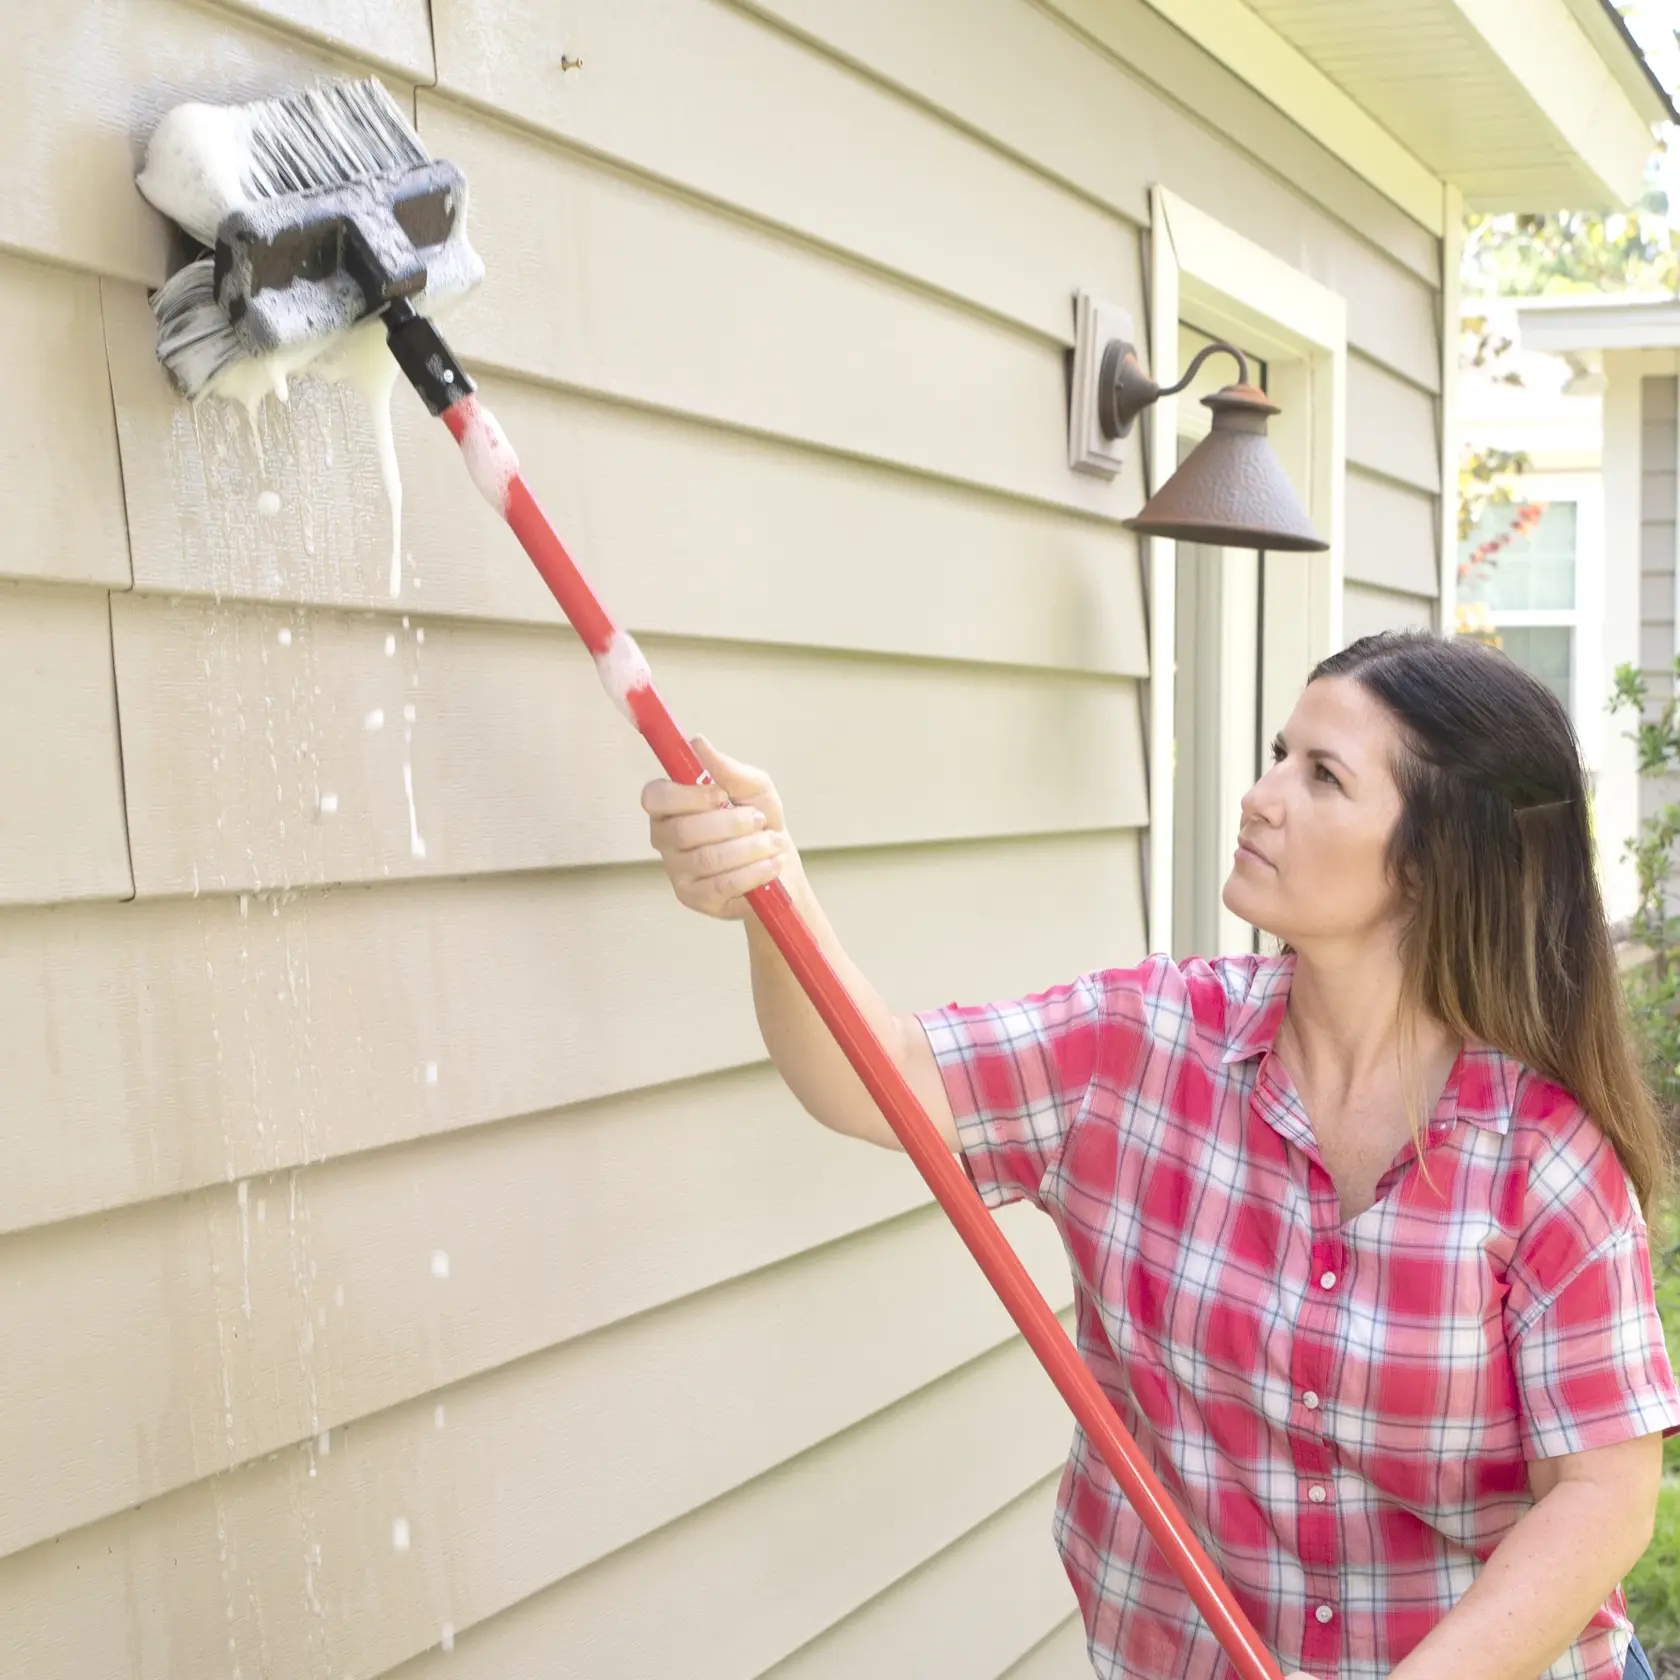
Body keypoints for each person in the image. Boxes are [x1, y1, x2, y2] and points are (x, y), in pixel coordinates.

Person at [642, 629, 1680, 1680]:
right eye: (1280, 752)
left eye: (1320, 775)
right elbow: (878, 1076)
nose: (1260, 794)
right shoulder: (1141, 1050)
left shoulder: (1541, 1155)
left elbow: (1602, 1496)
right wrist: (772, 896)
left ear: (1435, 858)